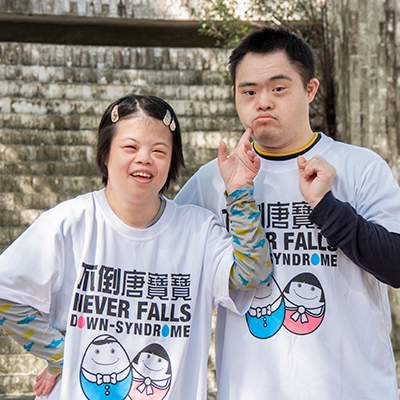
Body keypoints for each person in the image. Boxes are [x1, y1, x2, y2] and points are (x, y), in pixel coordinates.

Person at [175, 27, 400, 400]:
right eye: (249, 92)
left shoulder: (359, 167)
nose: (263, 102)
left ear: (310, 89)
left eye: (278, 88)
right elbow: (162, 259)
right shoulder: (213, 181)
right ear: (235, 95)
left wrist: (327, 207)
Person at [0, 94, 273, 400]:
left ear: (172, 162)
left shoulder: (198, 230)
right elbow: (6, 292)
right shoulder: (68, 223)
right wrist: (60, 354)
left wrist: (239, 194)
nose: (144, 159)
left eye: (159, 151)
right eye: (130, 147)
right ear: (105, 155)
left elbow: (254, 273)